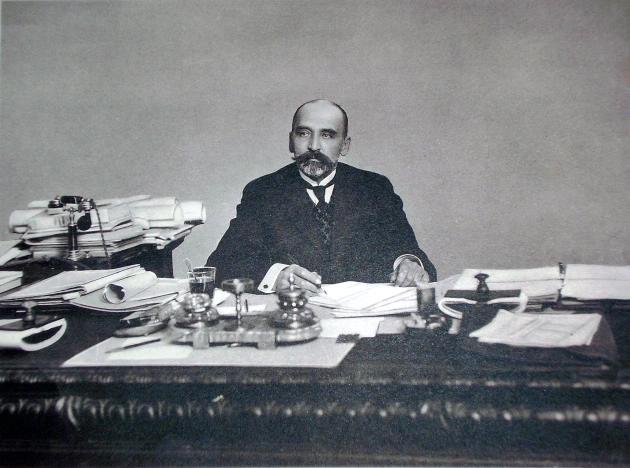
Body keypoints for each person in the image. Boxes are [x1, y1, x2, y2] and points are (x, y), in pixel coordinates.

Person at [207, 99, 436, 294]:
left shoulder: (375, 188)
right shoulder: (263, 192)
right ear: (291, 141)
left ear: (344, 145)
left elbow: (408, 251)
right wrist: (277, 277)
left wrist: (409, 264)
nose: (314, 146)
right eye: (303, 133)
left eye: (327, 135)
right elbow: (221, 264)